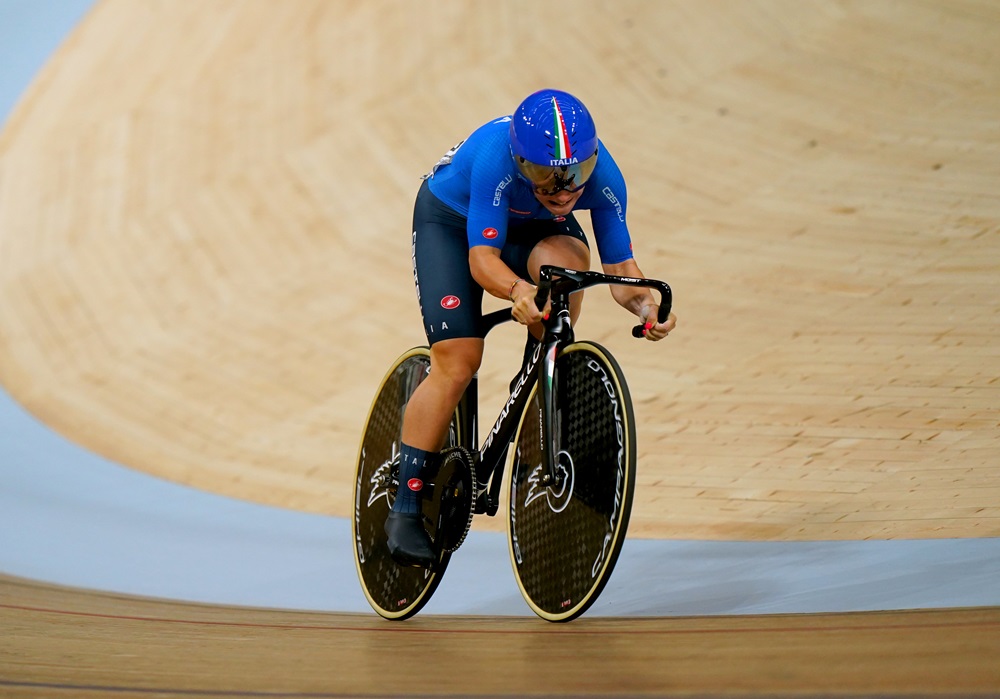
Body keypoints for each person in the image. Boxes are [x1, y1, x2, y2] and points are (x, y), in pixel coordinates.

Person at [385, 88, 678, 567]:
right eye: (545, 176)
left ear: (593, 159)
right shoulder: (494, 161)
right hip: (454, 223)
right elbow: (482, 260)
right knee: (459, 361)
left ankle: (536, 428)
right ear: (521, 160)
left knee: (566, 277)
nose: (563, 191)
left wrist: (647, 306)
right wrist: (519, 291)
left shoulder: (605, 176)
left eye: (574, 176)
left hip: (534, 228)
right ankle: (407, 504)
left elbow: (622, 269)